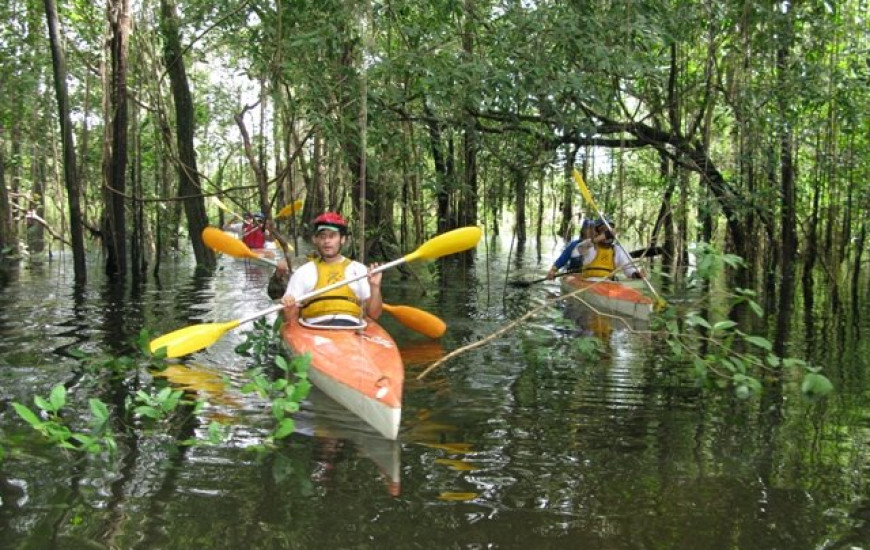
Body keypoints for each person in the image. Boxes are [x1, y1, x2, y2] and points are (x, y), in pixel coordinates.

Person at [280, 212, 382, 327]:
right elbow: (290, 319)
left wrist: (375, 287)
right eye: (322, 236)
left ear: (342, 239)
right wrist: (289, 307)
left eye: (332, 236)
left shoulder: (359, 270)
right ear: (315, 240)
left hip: (352, 328)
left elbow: (374, 314)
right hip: (314, 330)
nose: (327, 241)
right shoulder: (303, 272)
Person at [546, 217, 643, 280]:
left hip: (607, 284)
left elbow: (628, 267)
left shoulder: (617, 250)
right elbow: (579, 249)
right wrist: (553, 270)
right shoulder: (586, 245)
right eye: (603, 231)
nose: (607, 234)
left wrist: (635, 274)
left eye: (609, 231)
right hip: (586, 280)